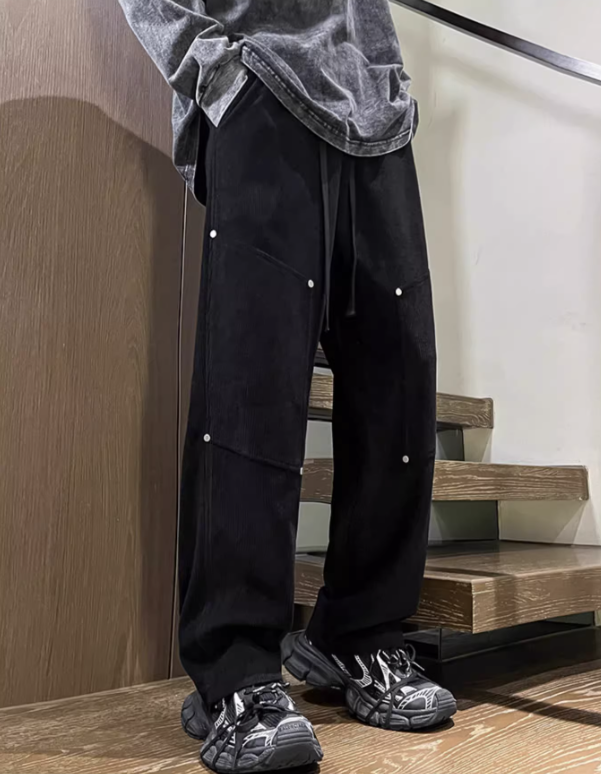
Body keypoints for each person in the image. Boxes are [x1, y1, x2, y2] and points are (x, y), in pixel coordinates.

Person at [118, 1, 457, 771]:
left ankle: (357, 634)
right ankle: (234, 674)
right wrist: (213, 66)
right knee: (253, 387)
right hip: (262, 80)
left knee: (398, 387)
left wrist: (393, 84)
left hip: (375, 109)